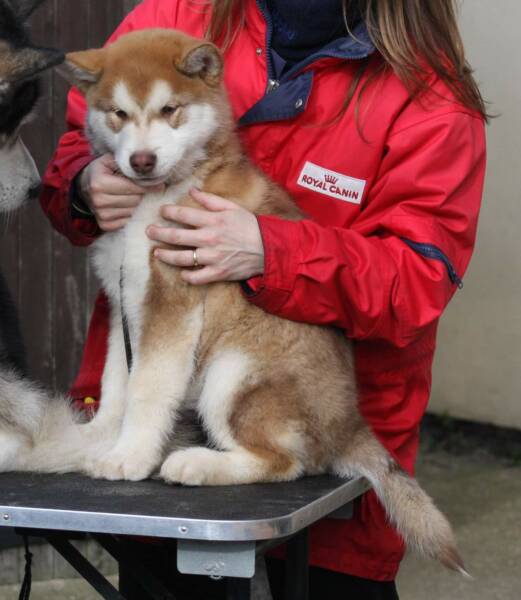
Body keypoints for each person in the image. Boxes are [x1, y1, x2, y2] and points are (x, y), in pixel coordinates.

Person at [40, 0, 487, 598]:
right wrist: (82, 183)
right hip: (164, 444)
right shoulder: (183, 13)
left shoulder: (429, 96)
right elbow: (85, 130)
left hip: (316, 423)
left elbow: (417, 281)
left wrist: (273, 250)